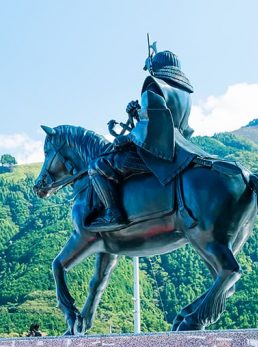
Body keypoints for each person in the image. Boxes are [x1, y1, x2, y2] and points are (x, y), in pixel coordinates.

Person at [87, 47, 208, 232]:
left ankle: (113, 213)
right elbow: (164, 120)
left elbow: (151, 123)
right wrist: (135, 112)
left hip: (158, 151)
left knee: (97, 166)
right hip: (182, 148)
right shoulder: (185, 93)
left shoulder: (154, 85)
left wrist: (127, 139)